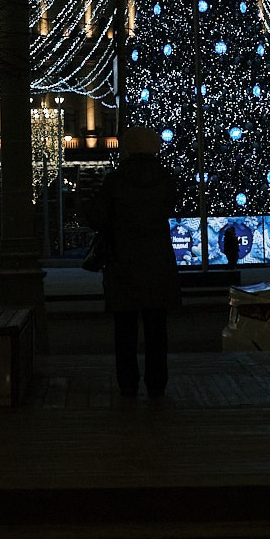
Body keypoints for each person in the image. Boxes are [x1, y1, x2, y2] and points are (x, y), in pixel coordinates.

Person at [82, 128, 181, 399]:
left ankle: (128, 383)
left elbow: (97, 217)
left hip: (122, 261)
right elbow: (172, 207)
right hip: (157, 262)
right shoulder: (166, 179)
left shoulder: (115, 180)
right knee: (156, 328)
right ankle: (157, 383)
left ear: (127, 148)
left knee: (124, 329)